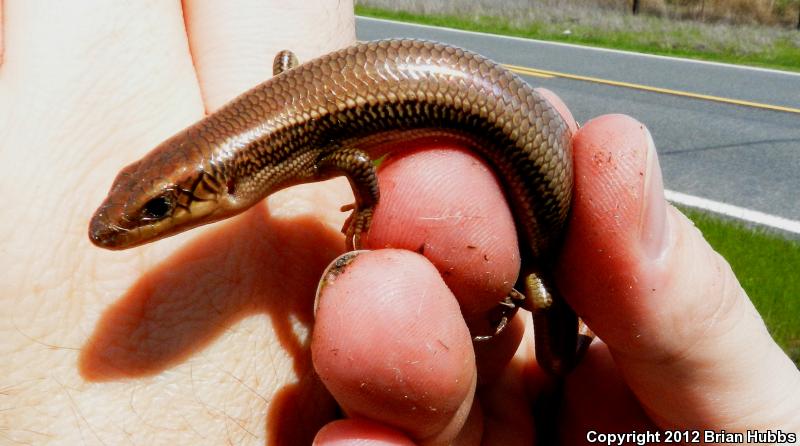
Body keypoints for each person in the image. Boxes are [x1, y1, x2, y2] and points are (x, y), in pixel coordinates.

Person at [2, 1, 797, 444]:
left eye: (160, 210)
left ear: (219, 183)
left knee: (544, 293)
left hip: (536, 190)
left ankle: (552, 327)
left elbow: (356, 166)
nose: (138, 225)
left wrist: (367, 212)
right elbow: (331, 138)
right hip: (506, 158)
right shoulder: (288, 148)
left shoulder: (298, 155)